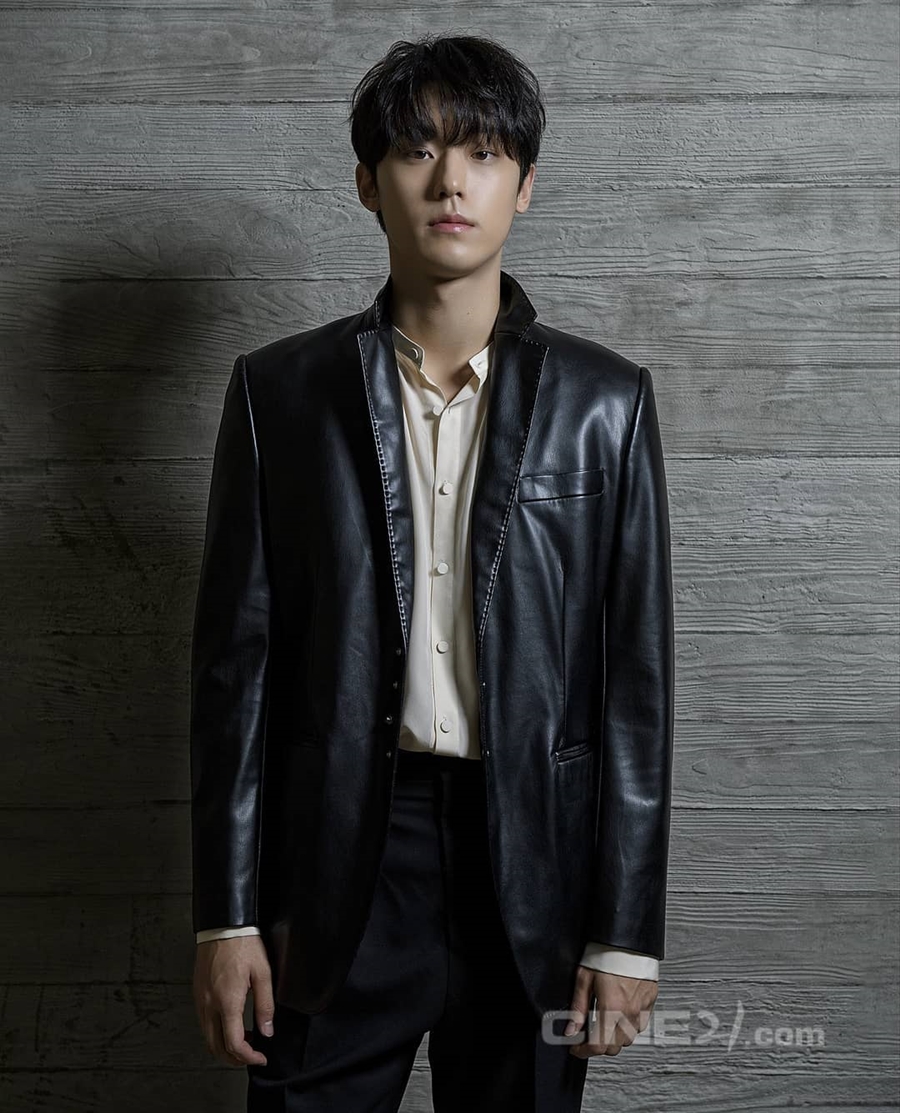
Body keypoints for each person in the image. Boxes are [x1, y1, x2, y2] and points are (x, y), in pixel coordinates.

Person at [190, 32, 674, 1112]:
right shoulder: (280, 394)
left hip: (534, 866)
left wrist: (626, 932)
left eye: (483, 153)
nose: (451, 181)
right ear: (368, 183)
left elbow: (634, 686)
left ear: (524, 185)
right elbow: (236, 677)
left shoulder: (607, 402)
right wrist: (226, 917)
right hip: (337, 865)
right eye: (416, 150)